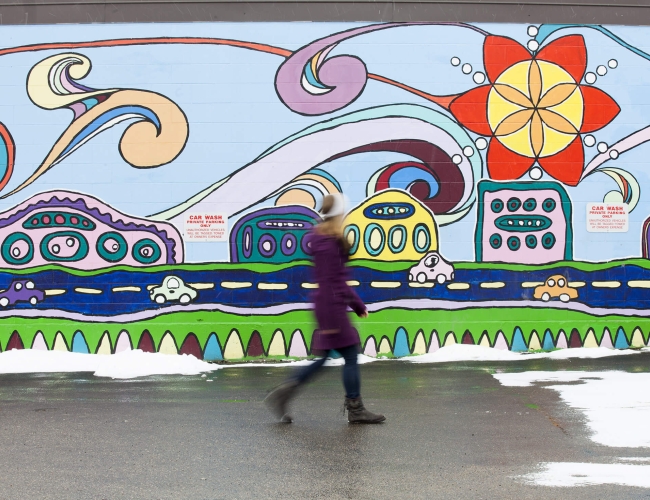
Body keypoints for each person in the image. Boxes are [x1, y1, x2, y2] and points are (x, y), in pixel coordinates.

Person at [265, 193, 385, 424]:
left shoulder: (322, 239)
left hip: (327, 304)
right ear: (338, 213)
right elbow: (336, 281)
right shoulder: (331, 243)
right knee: (350, 355)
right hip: (332, 307)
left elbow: (333, 280)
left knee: (324, 358)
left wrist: (352, 305)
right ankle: (355, 409)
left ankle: (284, 393)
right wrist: (353, 307)